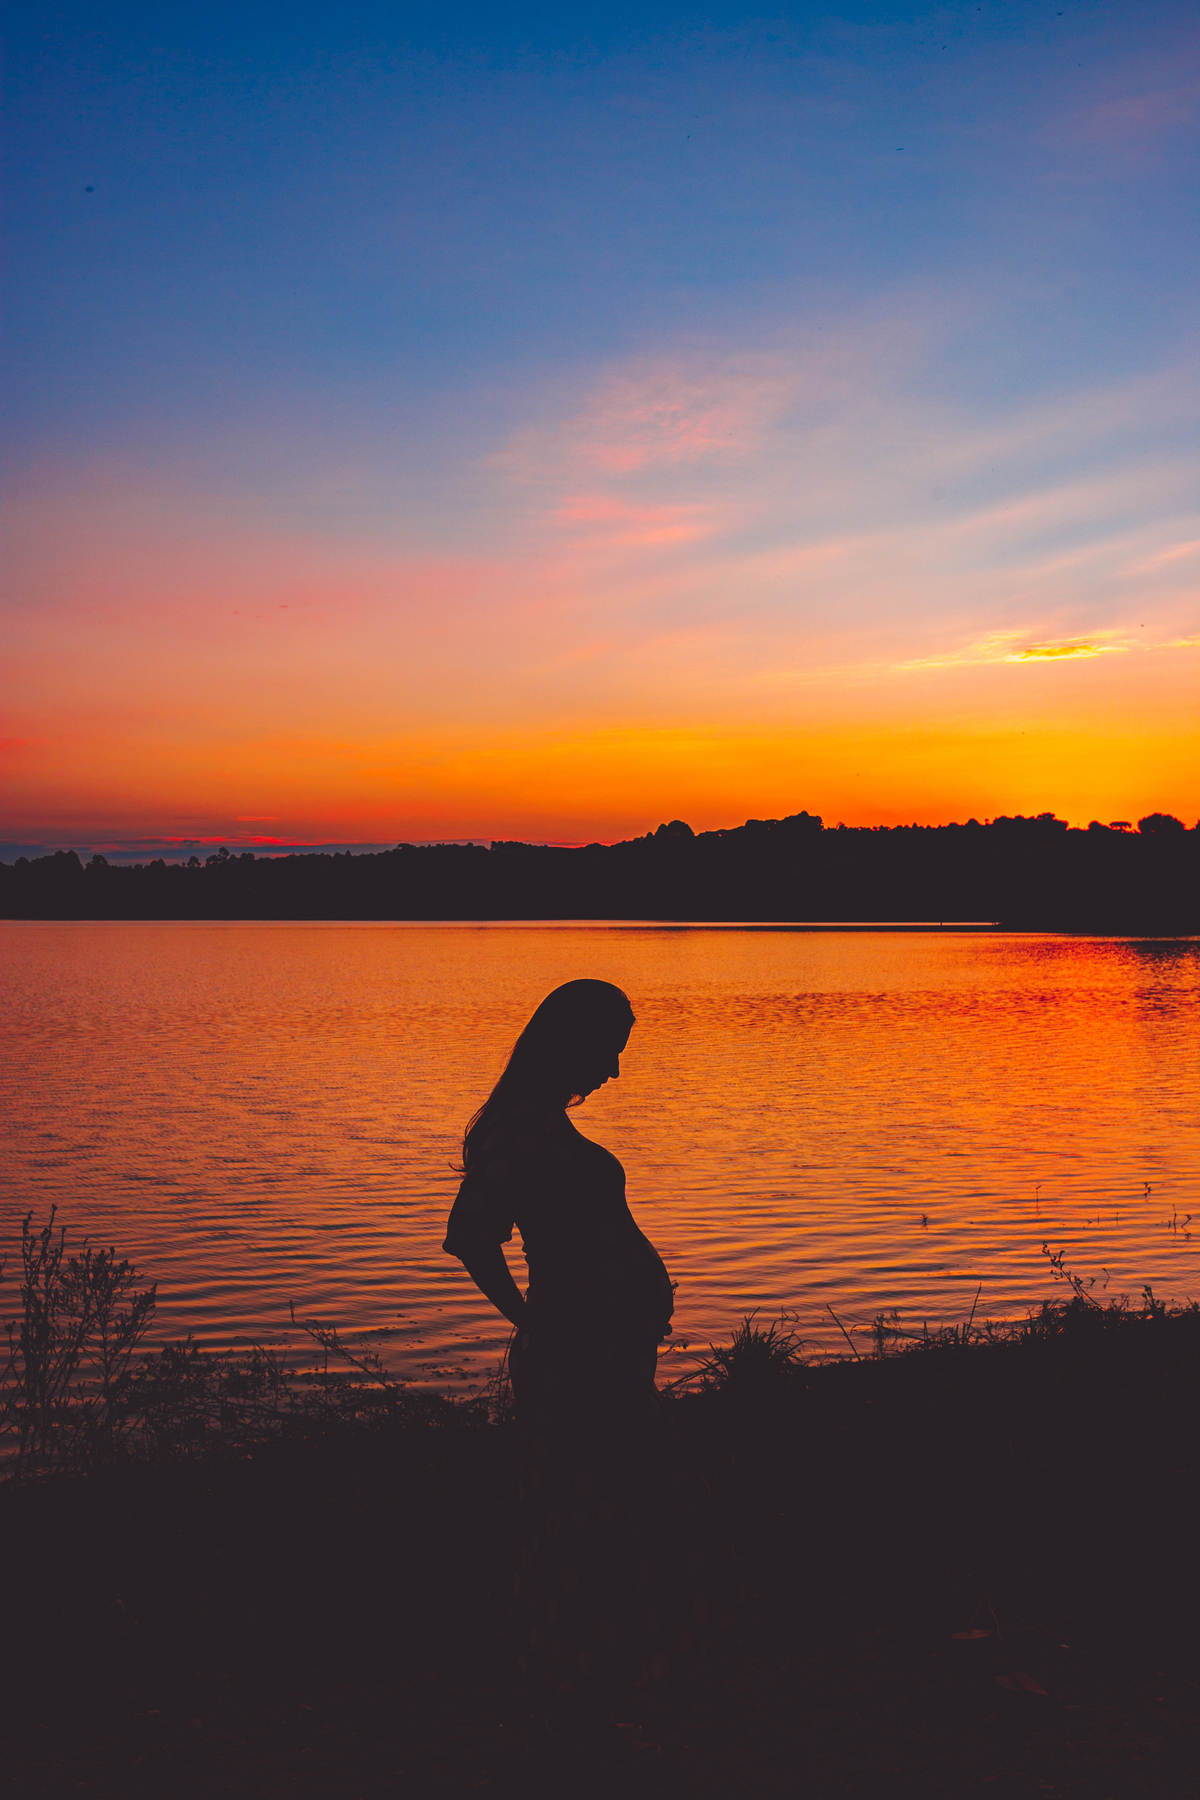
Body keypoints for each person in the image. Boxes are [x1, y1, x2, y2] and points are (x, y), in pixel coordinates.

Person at [443, 979, 736, 1765]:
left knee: (619, 1514)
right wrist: (534, 1319)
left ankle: (600, 1697)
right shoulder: (521, 1133)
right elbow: (472, 1235)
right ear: (570, 1042)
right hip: (576, 1366)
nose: (612, 1070)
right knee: (589, 1523)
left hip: (605, 1359)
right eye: (608, 1051)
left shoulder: (541, 1128)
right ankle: (578, 1704)